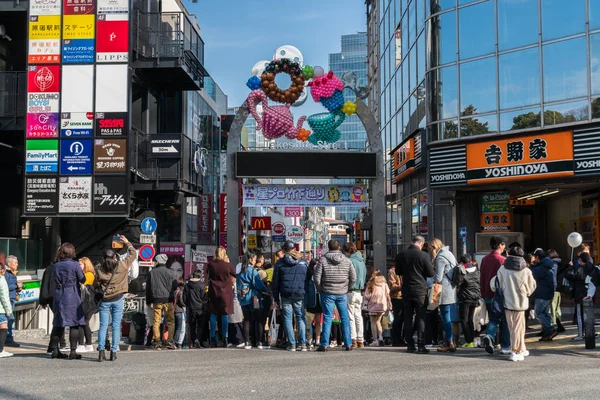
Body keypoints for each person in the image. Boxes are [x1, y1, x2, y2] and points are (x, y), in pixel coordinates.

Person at [96, 238, 136, 361]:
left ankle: (101, 351)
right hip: (118, 298)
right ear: (114, 257)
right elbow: (133, 253)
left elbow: (96, 283)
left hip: (105, 300)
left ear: (103, 258)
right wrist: (126, 242)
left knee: (103, 326)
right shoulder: (122, 265)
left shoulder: (99, 269)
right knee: (116, 326)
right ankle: (113, 352)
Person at [493, 247, 536, 362]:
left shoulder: (502, 269)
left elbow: (497, 285)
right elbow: (532, 287)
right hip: (521, 302)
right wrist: (525, 292)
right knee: (518, 327)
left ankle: (520, 348)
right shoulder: (526, 271)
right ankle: (515, 351)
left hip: (507, 301)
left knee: (512, 327)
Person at [314, 239, 356, 352]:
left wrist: (321, 289)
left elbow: (317, 278)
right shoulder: (347, 261)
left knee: (327, 317)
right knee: (344, 317)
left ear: (328, 248)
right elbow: (353, 278)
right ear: (339, 248)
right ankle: (348, 343)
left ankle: (324, 344)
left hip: (327, 292)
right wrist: (347, 288)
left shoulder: (322, 260)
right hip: (342, 292)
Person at [395, 235, 434, 354]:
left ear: (412, 242)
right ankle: (421, 345)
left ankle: (410, 345)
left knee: (407, 317)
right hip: (420, 290)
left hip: (406, 289)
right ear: (421, 244)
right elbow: (430, 273)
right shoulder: (424, 255)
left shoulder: (401, 255)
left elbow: (398, 271)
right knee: (421, 317)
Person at [49, 243, 86, 360]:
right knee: (74, 323)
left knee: (58, 323)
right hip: (72, 293)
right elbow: (82, 279)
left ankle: (55, 350)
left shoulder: (56, 265)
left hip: (59, 293)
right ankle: (73, 351)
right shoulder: (75, 265)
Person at [273, 241, 310, 351]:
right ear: (294, 248)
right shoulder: (303, 262)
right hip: (300, 293)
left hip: (285, 294)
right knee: (300, 317)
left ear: (284, 250)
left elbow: (276, 282)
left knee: (288, 319)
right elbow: (308, 278)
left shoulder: (280, 263)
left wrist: (275, 297)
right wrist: (305, 291)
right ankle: (303, 343)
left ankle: (292, 344)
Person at [480, 236, 510, 355]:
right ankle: (506, 346)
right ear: (499, 245)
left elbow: (482, 278)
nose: (504, 247)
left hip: (487, 294)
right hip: (500, 296)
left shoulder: (485, 259)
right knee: (505, 321)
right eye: (503, 245)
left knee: (493, 319)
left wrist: (483, 293)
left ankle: (489, 336)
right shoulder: (502, 260)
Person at [429, 238, 458, 353]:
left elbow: (438, 278)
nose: (430, 251)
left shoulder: (440, 258)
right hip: (451, 289)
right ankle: (450, 341)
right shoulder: (449, 253)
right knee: (448, 316)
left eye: (431, 248)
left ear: (434, 247)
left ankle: (449, 342)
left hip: (444, 290)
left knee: (445, 317)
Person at [237, 252, 269, 350]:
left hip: (242, 297)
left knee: (246, 319)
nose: (255, 261)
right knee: (258, 319)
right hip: (253, 297)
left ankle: (247, 341)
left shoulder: (240, 270)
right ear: (251, 259)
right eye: (254, 259)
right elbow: (258, 285)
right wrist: (267, 289)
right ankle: (258, 342)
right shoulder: (252, 271)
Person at [146, 253, 178, 350]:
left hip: (157, 300)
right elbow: (175, 286)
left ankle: (157, 342)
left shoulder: (152, 272)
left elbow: (148, 288)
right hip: (168, 300)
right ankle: (169, 341)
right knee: (171, 321)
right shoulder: (171, 272)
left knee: (156, 321)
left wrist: (149, 300)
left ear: (158, 262)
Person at [207, 247, 236, 347]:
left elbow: (208, 275)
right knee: (224, 315)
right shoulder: (228, 265)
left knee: (213, 315)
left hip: (214, 291)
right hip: (226, 293)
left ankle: (212, 338)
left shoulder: (211, 265)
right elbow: (235, 274)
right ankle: (225, 338)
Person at [566, 251, 594, 341]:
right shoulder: (592, 268)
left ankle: (580, 334)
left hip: (580, 294)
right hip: (589, 294)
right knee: (589, 315)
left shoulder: (580, 269)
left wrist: (570, 267)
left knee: (580, 315)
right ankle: (591, 332)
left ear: (580, 259)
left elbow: (571, 276)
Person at [453, 254, 480, 348]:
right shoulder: (476, 270)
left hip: (465, 298)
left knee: (464, 320)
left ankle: (468, 341)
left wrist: (456, 271)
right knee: (470, 319)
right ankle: (471, 340)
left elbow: (457, 282)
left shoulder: (462, 270)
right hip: (475, 297)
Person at [343, 242, 367, 349]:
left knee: (350, 316)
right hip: (359, 292)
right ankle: (361, 339)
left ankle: (353, 339)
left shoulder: (349, 261)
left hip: (351, 290)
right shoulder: (362, 262)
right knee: (358, 316)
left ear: (348, 251)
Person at [532, 249, 557, 341]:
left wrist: (531, 265)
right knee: (546, 313)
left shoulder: (541, 267)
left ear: (538, 257)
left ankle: (550, 329)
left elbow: (533, 273)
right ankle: (547, 332)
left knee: (538, 313)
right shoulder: (549, 265)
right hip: (549, 293)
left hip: (542, 294)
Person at [363, 270, 391, 346]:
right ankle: (381, 338)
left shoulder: (371, 283)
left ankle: (375, 340)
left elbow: (367, 296)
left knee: (373, 322)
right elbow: (387, 294)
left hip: (373, 305)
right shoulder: (384, 284)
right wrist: (389, 304)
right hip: (381, 305)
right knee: (378, 322)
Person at [76, 257, 96, 353]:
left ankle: (82, 344)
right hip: (86, 303)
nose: (78, 266)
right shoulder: (88, 274)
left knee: (81, 323)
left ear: (85, 265)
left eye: (80, 264)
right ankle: (88, 344)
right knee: (84, 323)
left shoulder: (89, 274)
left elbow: (82, 282)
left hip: (87, 303)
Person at [184, 271, 208, 348]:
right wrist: (204, 304)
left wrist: (188, 304)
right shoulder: (201, 285)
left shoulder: (187, 286)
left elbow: (184, 298)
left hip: (191, 309)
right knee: (201, 326)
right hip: (201, 308)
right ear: (199, 277)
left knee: (192, 326)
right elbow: (205, 297)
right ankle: (198, 339)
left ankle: (194, 341)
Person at [4, 256, 21, 348]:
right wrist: (16, 285)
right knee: (9, 319)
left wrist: (18, 288)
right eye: (15, 263)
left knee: (9, 320)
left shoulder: (12, 273)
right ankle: (8, 340)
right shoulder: (6, 273)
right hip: (8, 300)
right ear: (9, 264)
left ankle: (7, 339)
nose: (17, 264)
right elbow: (5, 286)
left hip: (12, 299)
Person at [547, 249, 566, 333]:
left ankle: (554, 325)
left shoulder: (552, 264)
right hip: (557, 288)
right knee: (556, 307)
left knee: (552, 307)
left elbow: (552, 276)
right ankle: (559, 325)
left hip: (553, 288)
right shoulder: (558, 263)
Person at [305, 259, 323, 348]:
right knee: (308, 321)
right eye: (314, 264)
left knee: (318, 321)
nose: (316, 266)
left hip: (319, 300)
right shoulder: (308, 275)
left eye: (317, 264)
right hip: (311, 299)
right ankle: (309, 339)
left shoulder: (321, 275)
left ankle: (318, 340)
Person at [387, 265, 404, 346]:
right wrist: (402, 287)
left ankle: (402, 339)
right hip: (396, 297)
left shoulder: (406, 269)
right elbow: (392, 286)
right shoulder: (392, 271)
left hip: (405, 297)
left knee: (404, 319)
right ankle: (396, 339)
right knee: (397, 319)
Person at [0, 263, 13, 358]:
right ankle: (0, 350)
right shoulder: (1, 280)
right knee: (3, 327)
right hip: (1, 309)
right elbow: (4, 297)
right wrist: (8, 310)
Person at [174, 278, 186, 349]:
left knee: (176, 327)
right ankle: (176, 342)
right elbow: (181, 302)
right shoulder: (180, 292)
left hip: (174, 310)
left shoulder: (174, 291)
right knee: (180, 328)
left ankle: (175, 342)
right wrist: (185, 304)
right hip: (179, 311)